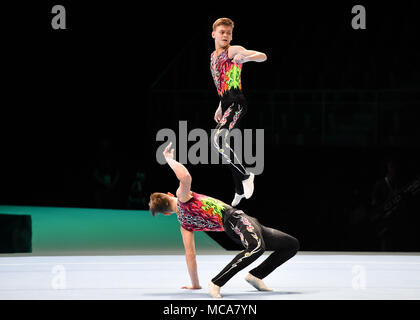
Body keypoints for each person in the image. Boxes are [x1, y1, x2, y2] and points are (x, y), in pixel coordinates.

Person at [149, 142, 299, 298]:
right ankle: (216, 282)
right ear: (170, 194)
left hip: (239, 223)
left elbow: (190, 254)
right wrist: (169, 160)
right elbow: (185, 176)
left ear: (166, 214)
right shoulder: (182, 197)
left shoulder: (184, 226)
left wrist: (195, 284)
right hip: (234, 220)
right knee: (256, 247)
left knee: (291, 245)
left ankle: (256, 275)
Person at [210, 17, 267, 206]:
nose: (225, 35)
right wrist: (220, 105)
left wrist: (247, 57)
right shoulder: (212, 57)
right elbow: (220, 82)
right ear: (214, 34)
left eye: (228, 32)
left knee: (217, 139)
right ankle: (239, 189)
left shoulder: (233, 50)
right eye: (222, 32)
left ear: (231, 35)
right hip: (226, 103)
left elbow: (263, 56)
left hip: (237, 102)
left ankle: (246, 175)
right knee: (225, 146)